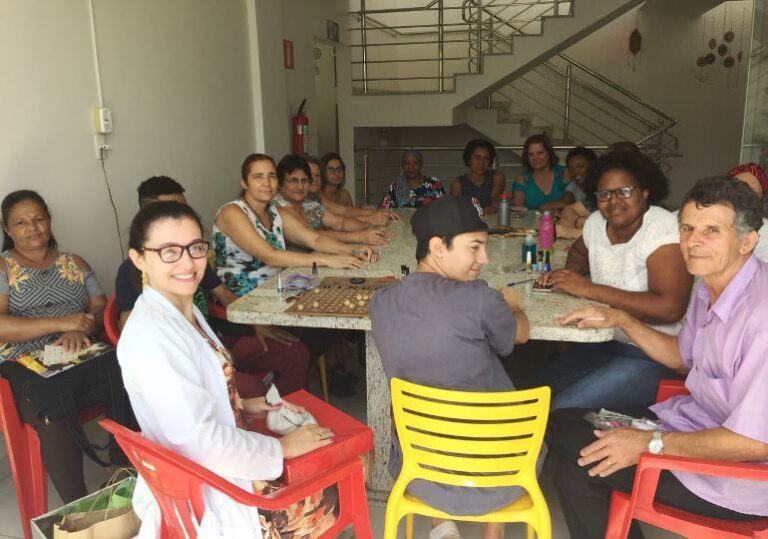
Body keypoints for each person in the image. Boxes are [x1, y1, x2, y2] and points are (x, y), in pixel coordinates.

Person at [546, 177, 768, 539]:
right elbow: (682, 358)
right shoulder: (709, 286)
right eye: (687, 228)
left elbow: (755, 442)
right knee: (566, 423)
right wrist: (622, 319)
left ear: (747, 241)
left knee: (577, 454)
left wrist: (650, 444)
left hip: (735, 478)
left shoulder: (761, 318)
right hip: (689, 429)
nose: (693, 241)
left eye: (712, 230)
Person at [118, 201, 338, 538]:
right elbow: (199, 442)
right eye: (169, 252)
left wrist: (242, 404)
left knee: (324, 446)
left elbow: (192, 404)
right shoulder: (151, 337)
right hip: (213, 489)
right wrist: (281, 449)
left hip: (217, 466)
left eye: (195, 248)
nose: (187, 263)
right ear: (138, 258)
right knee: (342, 475)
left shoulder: (180, 311)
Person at [370, 196, 533, 539]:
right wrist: (514, 307)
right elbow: (518, 336)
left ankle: (441, 525)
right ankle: (493, 534)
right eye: (475, 247)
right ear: (437, 247)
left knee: (433, 386)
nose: (484, 259)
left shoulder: (381, 303)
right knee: (505, 398)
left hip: (420, 468)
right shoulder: (480, 298)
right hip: (495, 471)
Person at [116, 176, 309, 397]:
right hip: (190, 363)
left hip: (218, 341)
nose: (186, 263)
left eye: (185, 209)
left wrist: (256, 323)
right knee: (252, 390)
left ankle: (285, 412)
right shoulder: (132, 275)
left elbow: (225, 295)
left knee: (296, 353)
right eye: (169, 252)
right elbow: (134, 334)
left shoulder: (194, 259)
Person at [535, 150, 692, 411]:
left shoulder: (662, 231)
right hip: (607, 341)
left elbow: (669, 309)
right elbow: (579, 251)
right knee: (535, 392)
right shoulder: (597, 223)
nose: (613, 201)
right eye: (604, 194)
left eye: (624, 191)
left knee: (561, 408)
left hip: (654, 354)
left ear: (645, 192)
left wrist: (589, 289)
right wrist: (566, 276)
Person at [0, 190, 113, 502]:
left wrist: (82, 327)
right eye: (21, 223)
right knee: (51, 405)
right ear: (7, 229)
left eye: (39, 219)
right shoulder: (4, 268)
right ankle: (80, 508)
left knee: (129, 373)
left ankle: (123, 473)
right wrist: (61, 323)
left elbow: (100, 306)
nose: (32, 228)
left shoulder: (74, 262)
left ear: (49, 221)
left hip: (77, 350)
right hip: (23, 361)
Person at [213, 153, 376, 297]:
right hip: (243, 299)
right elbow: (271, 257)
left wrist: (353, 251)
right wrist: (329, 260)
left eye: (272, 176)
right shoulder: (232, 212)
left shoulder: (274, 211)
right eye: (258, 177)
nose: (267, 183)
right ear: (244, 183)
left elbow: (314, 239)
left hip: (276, 289)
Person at [274, 154, 391, 246]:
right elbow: (314, 236)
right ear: (279, 183)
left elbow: (340, 222)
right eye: (293, 181)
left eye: (304, 180)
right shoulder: (278, 207)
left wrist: (372, 229)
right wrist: (360, 237)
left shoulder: (309, 205)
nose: (300, 187)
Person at [308, 156, 398, 226]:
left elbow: (345, 212)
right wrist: (370, 218)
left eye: (339, 169)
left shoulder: (319, 195)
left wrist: (375, 212)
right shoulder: (311, 200)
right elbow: (336, 223)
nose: (336, 173)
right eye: (331, 170)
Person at [512, 134, 570, 210]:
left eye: (540, 153)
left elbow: (573, 203)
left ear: (549, 154)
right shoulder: (521, 180)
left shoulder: (565, 173)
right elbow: (518, 210)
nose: (535, 158)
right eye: (531, 154)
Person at [449, 139, 506, 214]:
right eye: (477, 157)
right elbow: (455, 211)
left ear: (490, 161)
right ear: (469, 160)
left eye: (485, 158)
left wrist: (492, 208)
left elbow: (495, 201)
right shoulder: (457, 185)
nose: (481, 162)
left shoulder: (497, 177)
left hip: (492, 219)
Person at [727, 162, 768, 261]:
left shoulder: (764, 231)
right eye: (739, 189)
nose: (745, 197)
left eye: (754, 194)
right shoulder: (703, 217)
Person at [379, 149, 445, 208]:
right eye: (406, 163)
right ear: (402, 165)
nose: (411, 167)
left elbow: (444, 209)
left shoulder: (434, 184)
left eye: (415, 163)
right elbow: (383, 209)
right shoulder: (397, 185)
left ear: (421, 164)